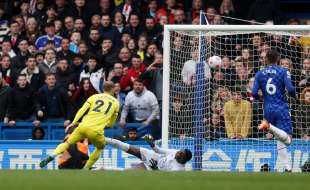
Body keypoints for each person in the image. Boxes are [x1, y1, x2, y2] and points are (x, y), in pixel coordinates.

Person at [39, 81, 120, 169]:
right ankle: (86, 168)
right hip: (96, 131)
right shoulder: (116, 103)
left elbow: (82, 110)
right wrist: (104, 123)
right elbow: (111, 124)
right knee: (100, 147)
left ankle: (52, 155)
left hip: (82, 126)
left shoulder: (94, 97)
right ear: (113, 89)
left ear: (103, 89)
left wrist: (73, 123)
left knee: (67, 143)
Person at [253, 49, 296, 172]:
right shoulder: (283, 71)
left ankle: (287, 167)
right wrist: (295, 97)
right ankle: (269, 127)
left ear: (266, 59)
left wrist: (262, 97)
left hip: (267, 108)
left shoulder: (260, 73)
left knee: (279, 139)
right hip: (281, 107)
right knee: (287, 140)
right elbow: (291, 89)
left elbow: (254, 93)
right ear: (278, 59)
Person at [105, 135, 192, 171]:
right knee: (127, 147)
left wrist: (155, 169)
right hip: (154, 157)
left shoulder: (178, 170)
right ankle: (103, 139)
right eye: (179, 151)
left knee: (129, 171)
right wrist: (151, 143)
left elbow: (164, 179)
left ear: (183, 159)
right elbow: (159, 150)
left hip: (153, 168)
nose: (177, 153)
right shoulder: (176, 152)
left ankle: (102, 169)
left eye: (180, 154)